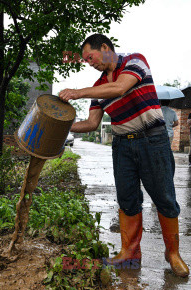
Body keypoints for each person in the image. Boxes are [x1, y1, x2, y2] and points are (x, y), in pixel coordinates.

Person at [59, 34, 189, 277]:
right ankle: (130, 254)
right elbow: (91, 124)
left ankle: (173, 254)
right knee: (127, 200)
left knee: (165, 199)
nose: (89, 63)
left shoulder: (134, 61)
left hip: (153, 141)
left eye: (91, 57)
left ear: (105, 48)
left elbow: (120, 87)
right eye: (86, 60)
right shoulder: (98, 89)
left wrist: (77, 92)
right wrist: (61, 126)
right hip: (122, 147)